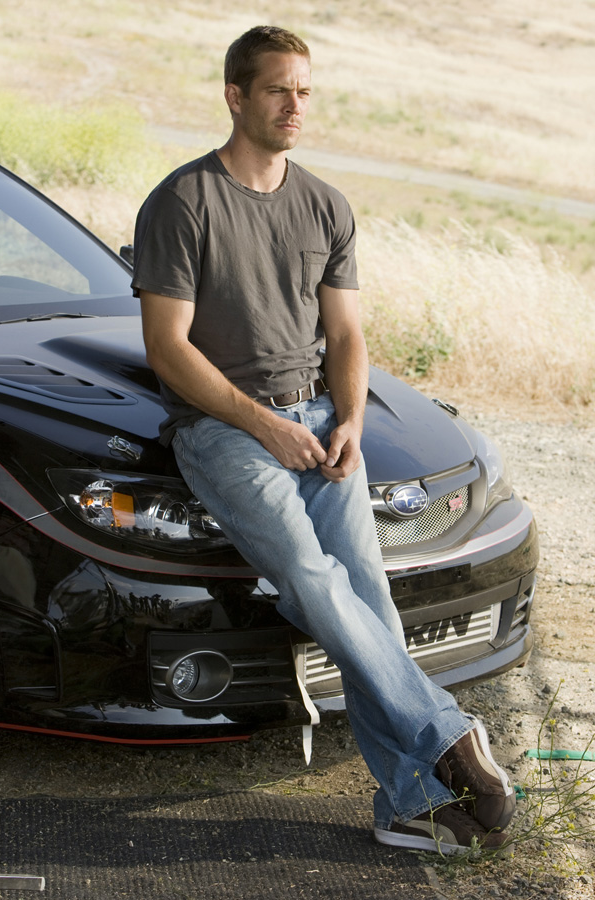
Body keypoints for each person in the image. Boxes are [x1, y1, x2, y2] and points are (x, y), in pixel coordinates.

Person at [131, 25, 516, 855]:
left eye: (305, 90)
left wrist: (348, 420)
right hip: (223, 431)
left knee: (366, 601)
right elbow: (167, 348)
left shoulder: (326, 204)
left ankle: (409, 803)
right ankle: (446, 733)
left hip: (320, 425)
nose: (295, 105)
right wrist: (264, 423)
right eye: (278, 89)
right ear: (236, 96)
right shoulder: (183, 201)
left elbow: (345, 335)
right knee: (312, 579)